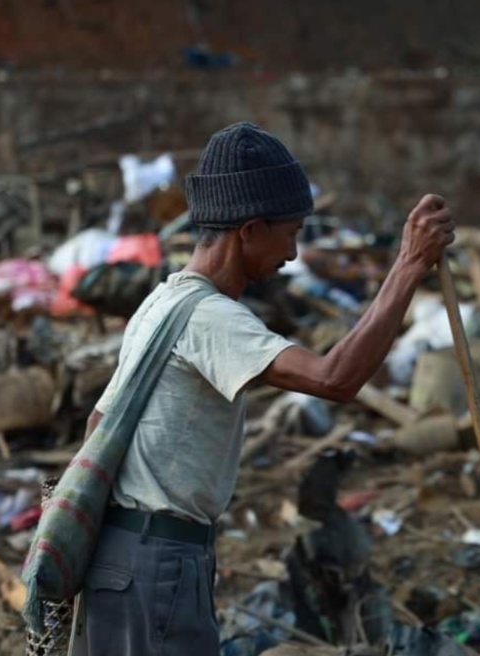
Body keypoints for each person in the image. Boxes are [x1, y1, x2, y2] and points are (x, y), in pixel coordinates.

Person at [80, 122, 454, 655]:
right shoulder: (210, 318)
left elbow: (98, 423)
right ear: (250, 229)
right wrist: (410, 265)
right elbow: (335, 378)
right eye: (292, 232)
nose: (294, 253)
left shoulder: (162, 303)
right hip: (157, 559)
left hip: (125, 556)